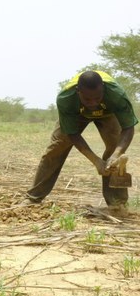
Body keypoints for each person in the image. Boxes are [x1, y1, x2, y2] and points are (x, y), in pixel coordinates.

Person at [26, 70, 137, 211]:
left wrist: (116, 154)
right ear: (78, 91)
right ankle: (33, 198)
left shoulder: (116, 95)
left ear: (103, 89)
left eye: (97, 98)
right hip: (76, 114)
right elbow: (72, 134)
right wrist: (96, 161)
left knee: (115, 150)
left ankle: (117, 204)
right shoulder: (66, 98)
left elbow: (128, 127)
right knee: (56, 149)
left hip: (108, 113)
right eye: (87, 99)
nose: (93, 103)